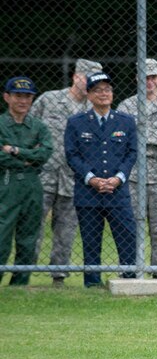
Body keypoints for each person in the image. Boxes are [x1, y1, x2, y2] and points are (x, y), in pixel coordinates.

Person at [30, 58, 102, 287]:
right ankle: (23, 274)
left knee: (66, 231)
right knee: (33, 226)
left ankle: (58, 277)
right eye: (84, 78)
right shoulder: (50, 99)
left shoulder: (93, 110)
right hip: (43, 175)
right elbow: (28, 127)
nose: (87, 83)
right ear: (75, 76)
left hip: (74, 180)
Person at [64, 72, 138, 288]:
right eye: (98, 90)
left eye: (107, 89)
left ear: (113, 94)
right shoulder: (76, 123)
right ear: (88, 95)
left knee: (127, 237)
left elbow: (132, 153)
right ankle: (92, 284)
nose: (103, 94)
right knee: (91, 241)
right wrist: (92, 179)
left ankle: (129, 279)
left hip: (118, 192)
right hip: (88, 194)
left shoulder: (126, 121)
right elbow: (72, 155)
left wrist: (118, 178)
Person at [117, 58, 157, 280]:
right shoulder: (126, 106)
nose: (149, 81)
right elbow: (122, 139)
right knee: (131, 228)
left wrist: (141, 134)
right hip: (133, 176)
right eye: (145, 77)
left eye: (153, 77)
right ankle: (131, 272)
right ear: (137, 78)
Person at [1, 77, 53, 286]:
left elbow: (45, 153)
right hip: (6, 183)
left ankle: (20, 283)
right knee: (2, 235)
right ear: (7, 97)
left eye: (28, 97)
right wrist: (29, 156)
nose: (23, 101)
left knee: (29, 236)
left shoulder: (38, 126)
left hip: (33, 185)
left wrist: (15, 150)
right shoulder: (2, 124)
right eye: (18, 96)